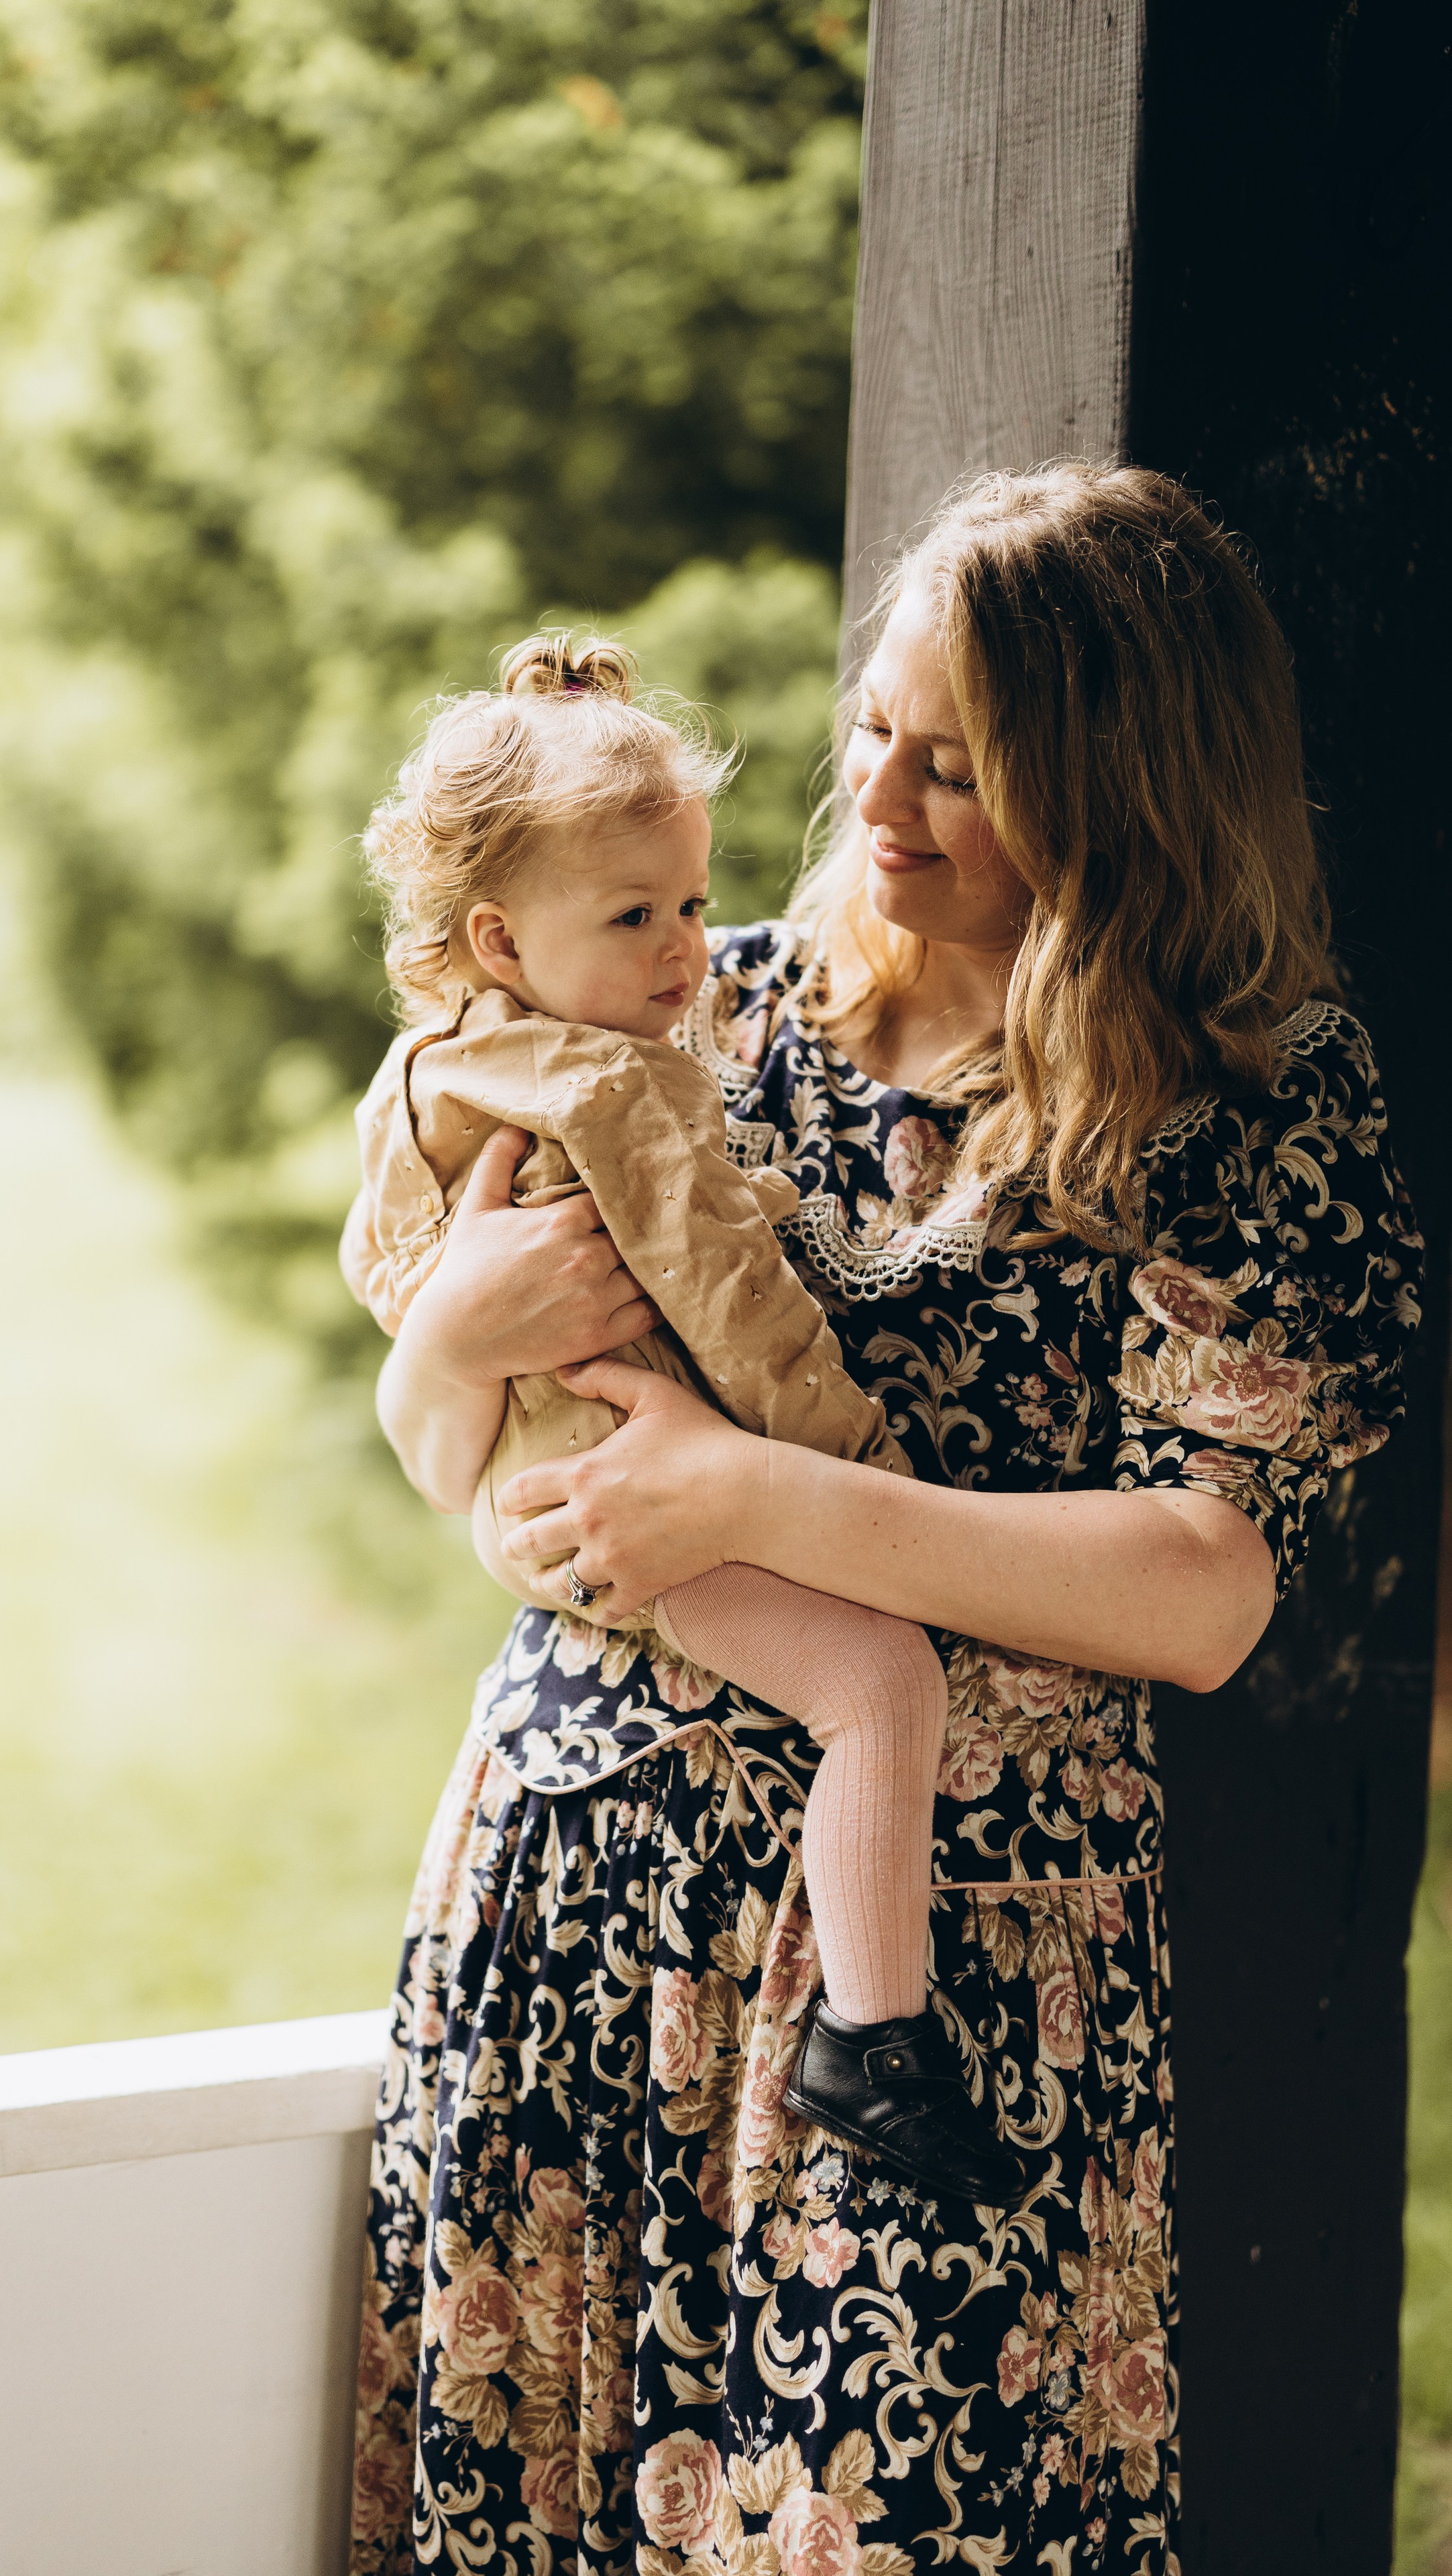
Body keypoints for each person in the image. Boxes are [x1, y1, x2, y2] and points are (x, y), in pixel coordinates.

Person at [347, 465, 1422, 2576]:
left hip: (935, 1978)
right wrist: (459, 1362)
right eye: (878, 738)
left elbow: (1202, 1589)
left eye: (967, 767)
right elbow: (470, 1439)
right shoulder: (687, 1007)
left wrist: (753, 1495)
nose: (891, 802)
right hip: (579, 1904)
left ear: (1126, 788)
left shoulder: (1255, 1102)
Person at [341, 628, 1024, 2204]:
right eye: (635, 915)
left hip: (547, 1487)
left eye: (697, 904)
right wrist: (838, 1460)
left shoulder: (428, 1069)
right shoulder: (617, 1088)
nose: (685, 950)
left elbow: (379, 1254)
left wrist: (449, 1316)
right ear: (502, 935)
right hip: (628, 1494)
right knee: (876, 1677)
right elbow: (726, 1296)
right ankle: (873, 2037)